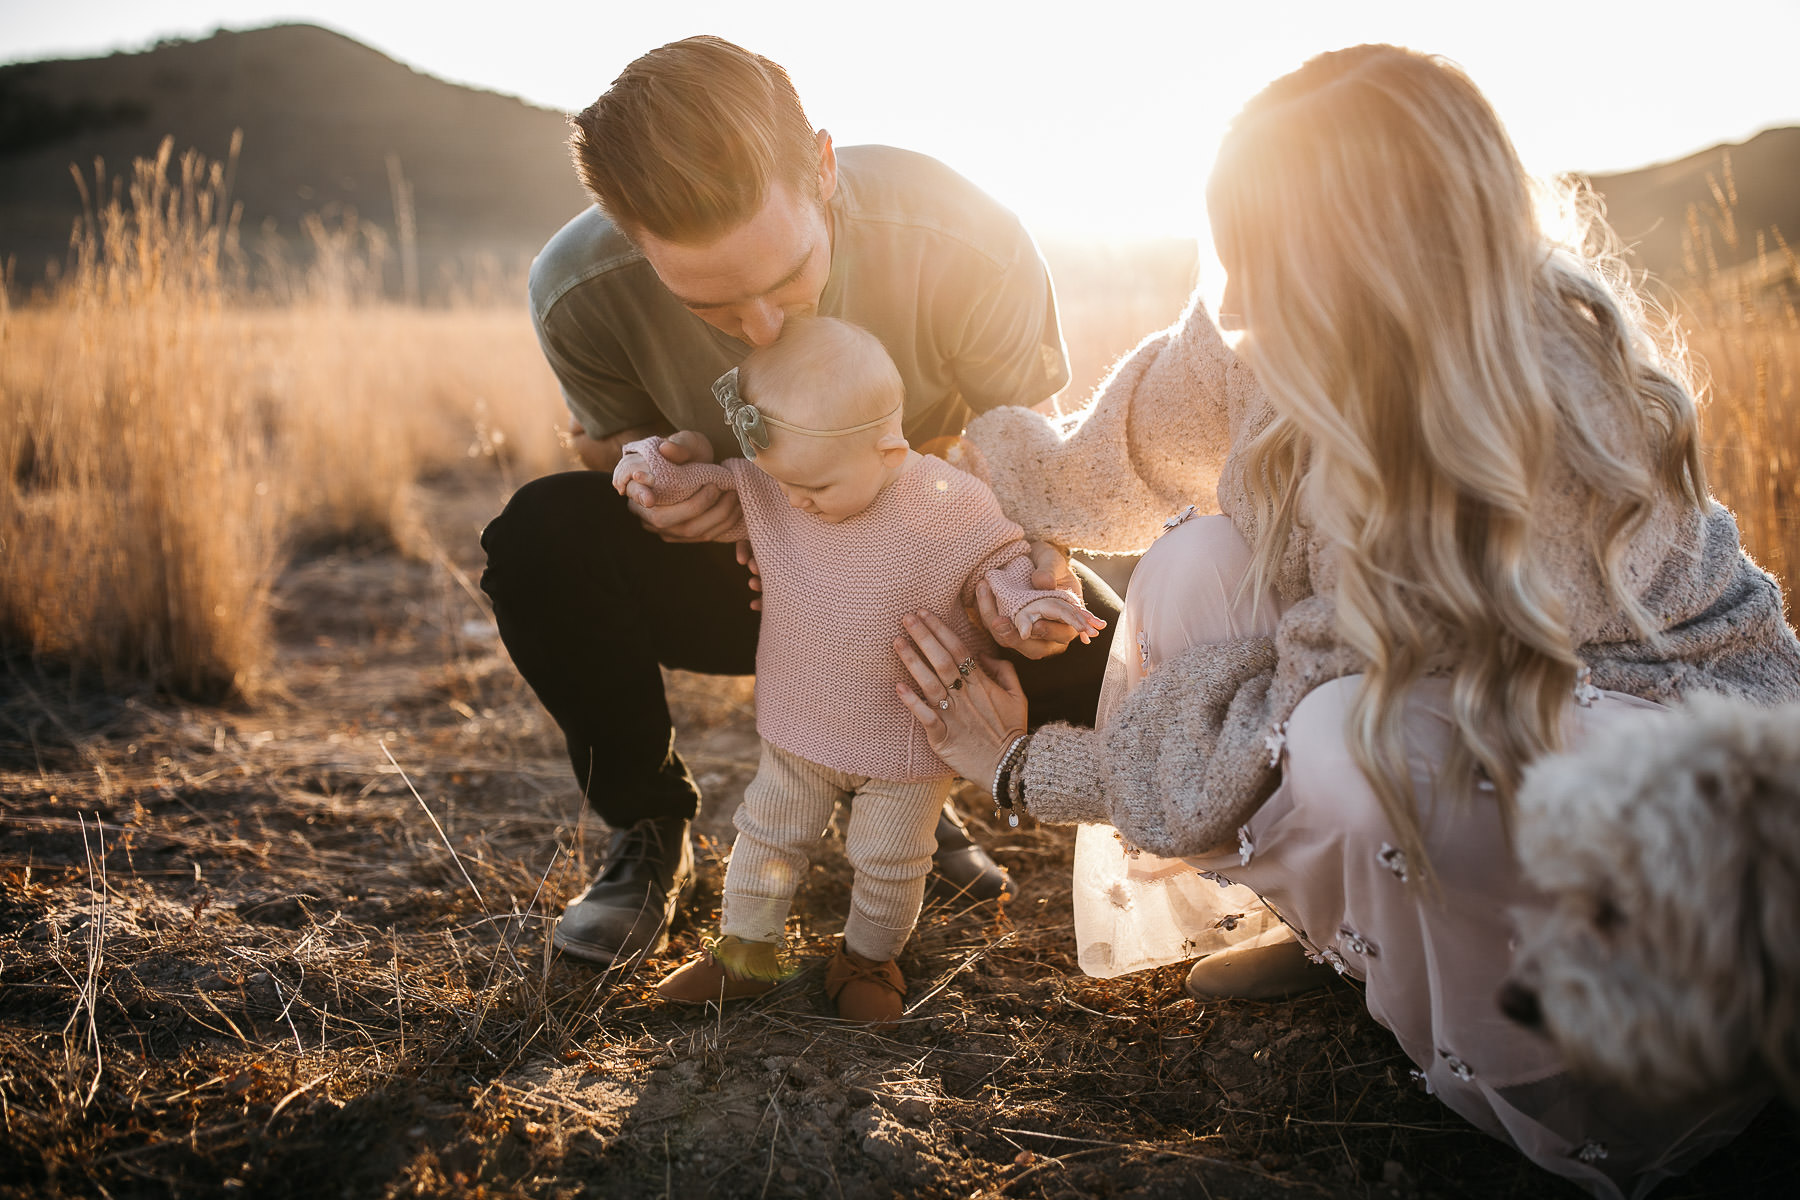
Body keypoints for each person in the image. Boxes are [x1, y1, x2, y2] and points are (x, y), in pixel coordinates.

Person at [895, 45, 1800, 1199]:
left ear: (1388, 255)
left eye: (1273, 258)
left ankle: (1611, 1080)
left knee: (1341, 745)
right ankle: (1352, 951)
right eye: (1237, 249)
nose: (1235, 300)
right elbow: (1105, 466)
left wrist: (1030, 766)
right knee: (1195, 562)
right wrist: (960, 463)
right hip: (1422, 692)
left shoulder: (1535, 405)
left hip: (1661, 767)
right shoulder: (1266, 332)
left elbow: (1287, 724)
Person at [478, 36, 1119, 967]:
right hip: (742, 578)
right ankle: (649, 833)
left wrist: (1034, 582)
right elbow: (601, 446)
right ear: (630, 238)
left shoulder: (965, 235)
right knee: (539, 535)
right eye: (713, 309)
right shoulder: (576, 289)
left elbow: (1038, 459)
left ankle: (903, 786)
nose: (765, 330)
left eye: (785, 278)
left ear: (821, 166)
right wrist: (660, 471)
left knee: (1117, 670)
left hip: (936, 590)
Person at [616, 317, 1099, 1023]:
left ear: (888, 451)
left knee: (890, 860)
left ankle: (868, 961)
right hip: (800, 720)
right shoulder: (782, 483)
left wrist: (1032, 604)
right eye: (783, 483)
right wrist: (650, 467)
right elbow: (711, 485)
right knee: (767, 833)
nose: (796, 501)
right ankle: (746, 954)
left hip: (907, 736)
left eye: (813, 486)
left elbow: (1001, 566)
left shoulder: (950, 502)